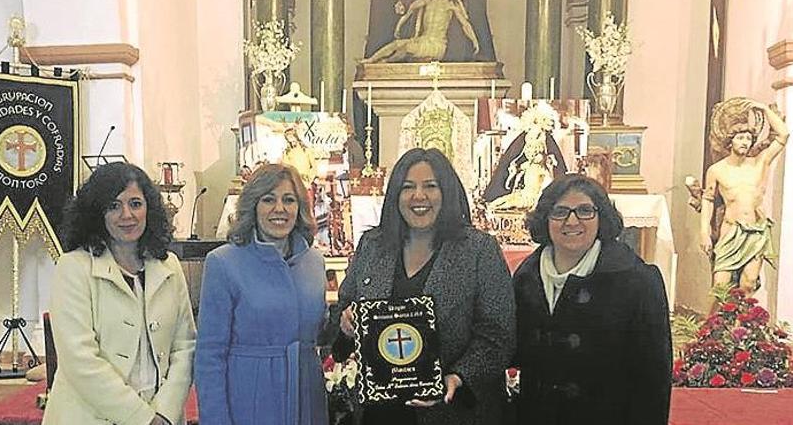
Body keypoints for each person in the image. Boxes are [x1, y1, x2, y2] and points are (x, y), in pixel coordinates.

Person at [333, 148, 515, 425]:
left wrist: (458, 377)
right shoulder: (372, 245)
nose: (419, 196)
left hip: (453, 410)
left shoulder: (479, 250)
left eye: (431, 186)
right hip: (381, 414)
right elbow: (344, 308)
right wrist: (347, 324)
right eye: (408, 187)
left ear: (447, 193)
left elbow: (498, 335)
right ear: (395, 195)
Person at [43, 162, 195, 425]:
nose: (127, 215)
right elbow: (80, 359)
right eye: (114, 206)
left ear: (149, 208)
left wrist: (165, 413)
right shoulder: (74, 267)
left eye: (135, 203)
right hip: (90, 416)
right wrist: (142, 418)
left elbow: (185, 347)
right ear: (96, 213)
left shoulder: (168, 265)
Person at [513, 174, 671, 425]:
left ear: (601, 217)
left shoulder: (637, 280)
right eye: (560, 211)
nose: (572, 220)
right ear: (545, 218)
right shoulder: (525, 279)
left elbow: (653, 379)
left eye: (585, 211)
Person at [195, 163, 327, 425]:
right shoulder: (223, 263)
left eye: (289, 200)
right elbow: (209, 356)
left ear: (299, 207)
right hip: (249, 401)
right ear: (253, 206)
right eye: (269, 199)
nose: (280, 209)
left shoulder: (314, 262)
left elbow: (320, 332)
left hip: (306, 397)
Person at [701, 99, 788, 296]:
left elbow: (784, 134)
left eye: (748, 139)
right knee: (720, 287)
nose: (745, 143)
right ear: (730, 141)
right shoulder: (717, 170)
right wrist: (703, 231)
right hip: (730, 231)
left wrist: (764, 108)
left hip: (755, 232)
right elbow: (708, 200)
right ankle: (718, 326)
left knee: (748, 284)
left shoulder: (759, 163)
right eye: (740, 138)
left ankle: (743, 326)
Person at [363, 0, 479, 63]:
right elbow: (412, 7)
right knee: (397, 44)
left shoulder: (450, 4)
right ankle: (371, 60)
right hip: (423, 39)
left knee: (406, 48)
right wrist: (399, 24)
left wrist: (474, 41)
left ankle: (386, 63)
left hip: (436, 44)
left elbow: (465, 24)